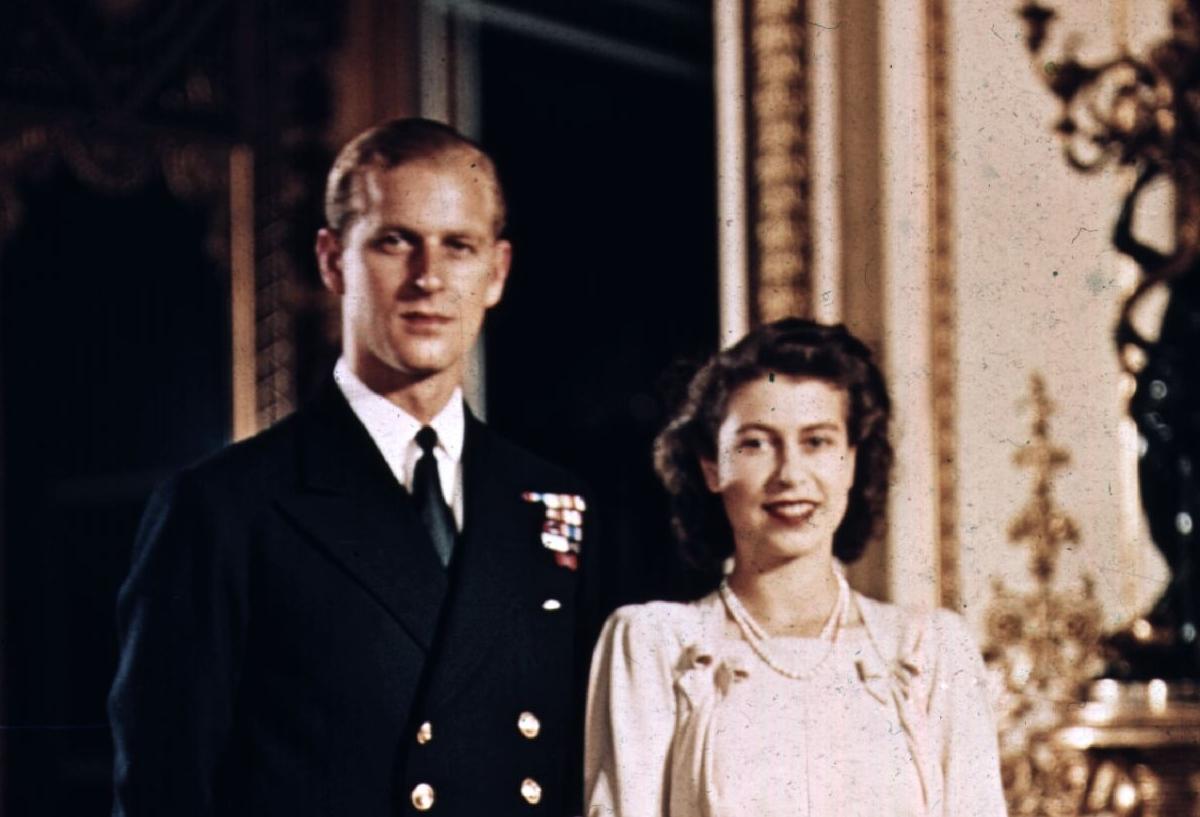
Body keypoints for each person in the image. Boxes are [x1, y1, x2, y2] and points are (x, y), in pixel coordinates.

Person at [109, 118, 595, 817]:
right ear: (333, 260)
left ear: (497, 272)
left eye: (458, 246)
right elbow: (166, 791)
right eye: (395, 241)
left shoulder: (554, 504)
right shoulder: (225, 507)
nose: (428, 278)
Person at [584, 318, 1006, 817]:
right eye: (756, 443)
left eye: (817, 442)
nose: (790, 475)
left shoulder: (930, 653)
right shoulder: (656, 646)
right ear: (712, 466)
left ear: (850, 459)